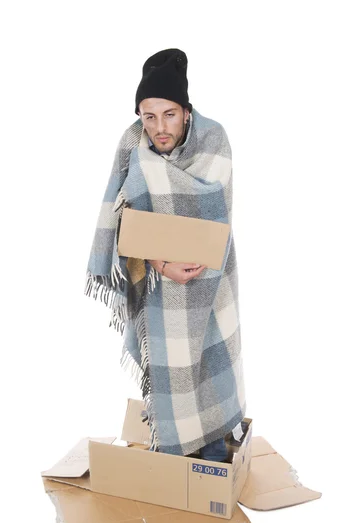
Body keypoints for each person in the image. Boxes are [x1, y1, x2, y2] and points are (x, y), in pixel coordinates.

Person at [85, 48, 246, 463]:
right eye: (148, 116)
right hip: (157, 278)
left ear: (187, 111)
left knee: (209, 360)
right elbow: (121, 216)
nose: (159, 127)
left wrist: (190, 256)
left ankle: (212, 446)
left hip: (209, 275)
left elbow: (217, 208)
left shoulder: (215, 140)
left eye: (169, 114)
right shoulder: (130, 143)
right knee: (170, 367)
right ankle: (176, 451)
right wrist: (158, 261)